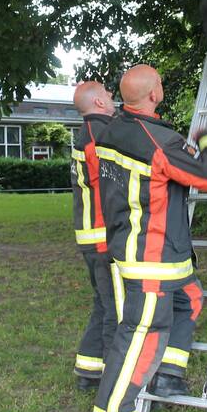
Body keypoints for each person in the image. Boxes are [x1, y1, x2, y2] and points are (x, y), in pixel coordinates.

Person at [91, 65, 207, 412]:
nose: (162, 87)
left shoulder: (111, 132)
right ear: (153, 94)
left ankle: (168, 373)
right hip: (153, 261)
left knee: (191, 299)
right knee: (136, 342)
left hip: (149, 253)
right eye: (161, 83)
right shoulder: (158, 144)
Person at [70, 81, 119, 392]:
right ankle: (115, 379)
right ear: (99, 102)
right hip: (105, 238)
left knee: (102, 302)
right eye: (108, 92)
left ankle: (88, 370)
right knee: (116, 308)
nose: (113, 96)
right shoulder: (104, 135)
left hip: (90, 237)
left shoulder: (87, 133)